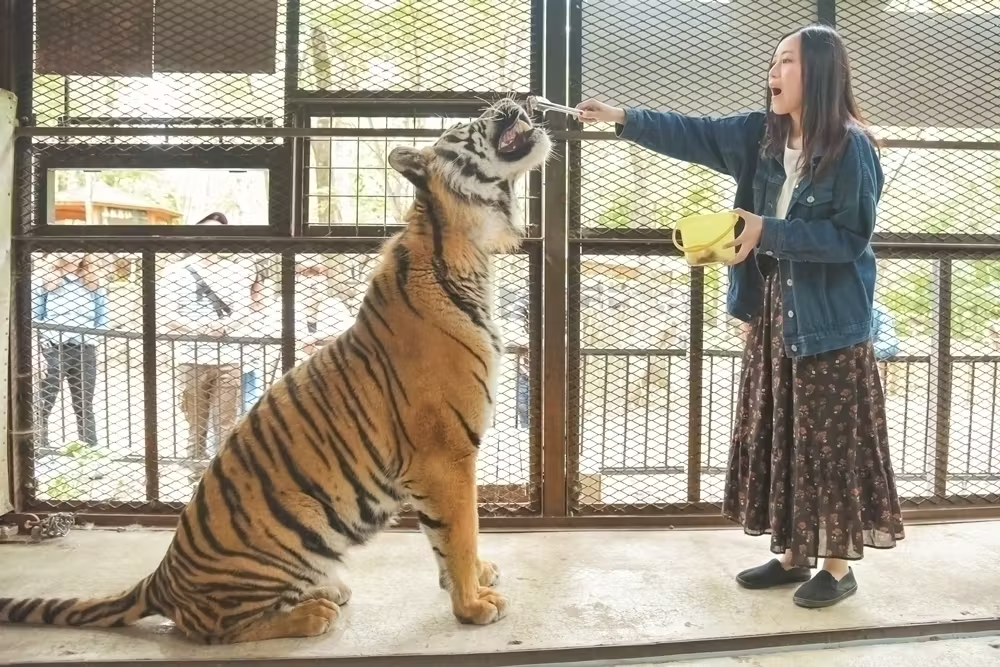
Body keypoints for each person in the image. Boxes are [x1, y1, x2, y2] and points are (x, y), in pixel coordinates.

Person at [577, 23, 904, 608]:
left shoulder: (852, 147)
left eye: (786, 63)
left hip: (830, 322)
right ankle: (792, 553)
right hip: (773, 314)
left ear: (821, 73)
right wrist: (623, 118)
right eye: (773, 63)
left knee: (827, 443)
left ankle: (836, 564)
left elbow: (850, 238)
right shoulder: (759, 135)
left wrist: (765, 231)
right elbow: (694, 132)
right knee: (780, 432)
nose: (772, 74)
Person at [157, 212, 257, 465]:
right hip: (190, 356)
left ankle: (224, 477)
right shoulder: (175, 272)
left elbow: (243, 310)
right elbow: (166, 312)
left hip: (229, 356)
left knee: (226, 422)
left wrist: (222, 327)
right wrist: (198, 328)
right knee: (195, 422)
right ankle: (193, 474)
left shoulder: (235, 272)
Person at [32, 253, 108, 449]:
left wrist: (91, 338)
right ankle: (41, 446)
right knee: (45, 400)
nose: (75, 254)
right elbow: (36, 315)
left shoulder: (94, 281)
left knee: (84, 403)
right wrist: (42, 346)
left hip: (85, 348)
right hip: (54, 348)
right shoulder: (45, 279)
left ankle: (89, 449)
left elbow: (102, 319)